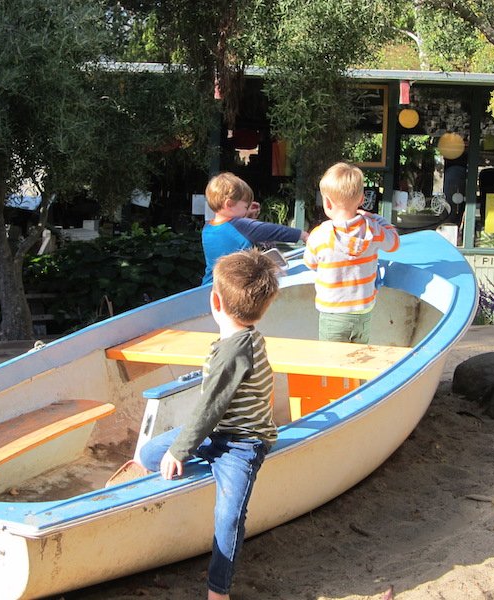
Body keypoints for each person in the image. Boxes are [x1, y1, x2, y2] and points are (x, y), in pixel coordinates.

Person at [139, 249, 280, 600]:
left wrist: (181, 449)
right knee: (148, 454)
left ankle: (219, 591)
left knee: (229, 514)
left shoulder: (233, 351)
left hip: (244, 442)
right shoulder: (238, 339)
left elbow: (208, 409)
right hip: (216, 433)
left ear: (214, 300)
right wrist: (175, 449)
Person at [303, 162, 400, 344]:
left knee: (331, 363)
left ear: (327, 202)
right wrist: (375, 218)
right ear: (362, 199)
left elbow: (310, 263)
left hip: (332, 314)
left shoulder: (320, 235)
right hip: (363, 311)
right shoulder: (373, 230)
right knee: (357, 361)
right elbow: (394, 242)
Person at [201, 172, 308, 285]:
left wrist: (246, 214)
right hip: (234, 288)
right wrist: (303, 235)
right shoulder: (241, 226)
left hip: (209, 286)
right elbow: (273, 230)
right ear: (229, 204)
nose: (246, 210)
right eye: (245, 206)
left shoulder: (207, 228)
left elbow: (231, 235)